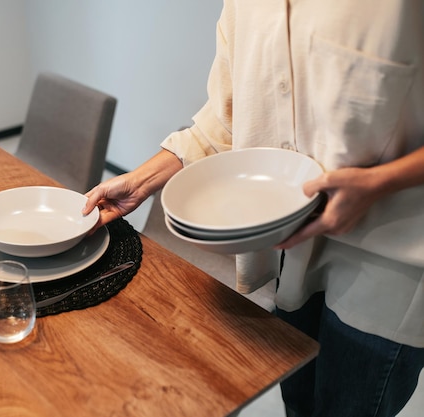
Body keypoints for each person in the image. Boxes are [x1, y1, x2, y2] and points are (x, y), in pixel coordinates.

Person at [82, 1, 424, 416]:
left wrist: (382, 182)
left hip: (390, 261)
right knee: (297, 401)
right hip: (289, 254)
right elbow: (227, 117)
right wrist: (145, 178)